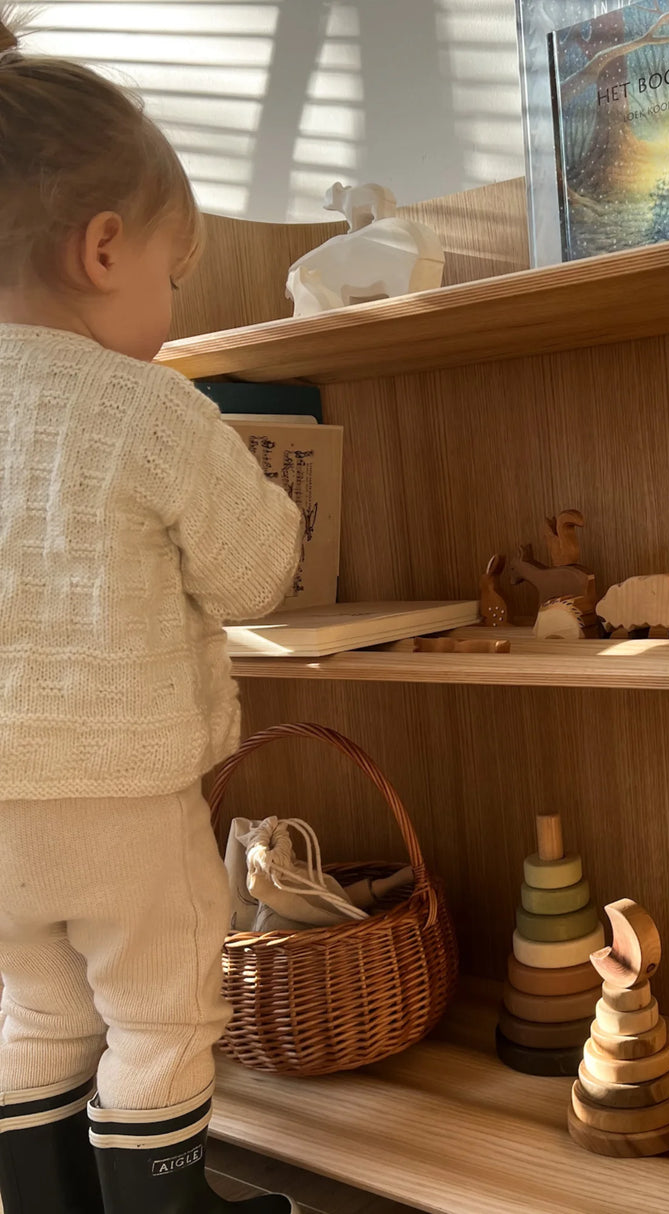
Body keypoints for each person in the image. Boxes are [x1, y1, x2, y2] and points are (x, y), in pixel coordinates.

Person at [0, 11, 303, 1212]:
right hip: (119, 794)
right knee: (163, 1008)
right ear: (103, 248)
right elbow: (253, 574)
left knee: (37, 1005)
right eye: (175, 279)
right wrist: (271, 489)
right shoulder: (149, 407)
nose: (173, 311)